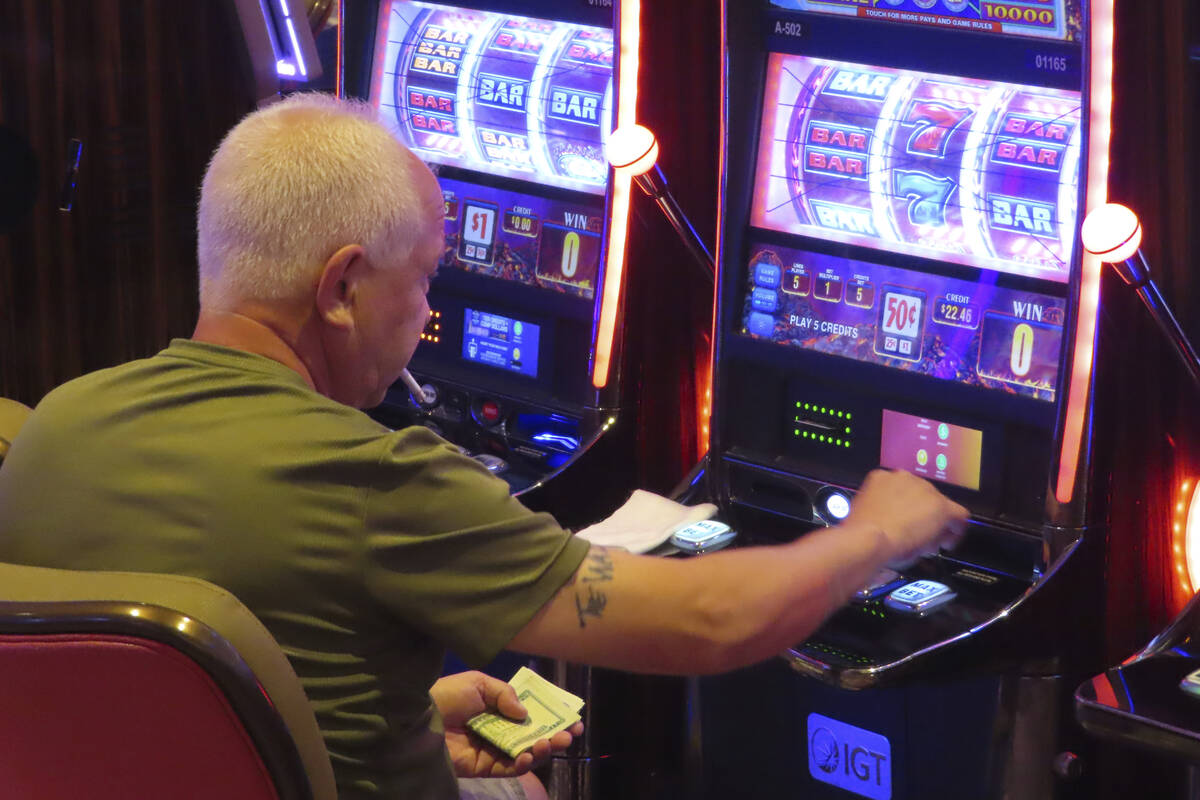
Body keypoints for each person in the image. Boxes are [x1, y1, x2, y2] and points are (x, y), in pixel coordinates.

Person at [0, 93, 967, 799]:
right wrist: (877, 534)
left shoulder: (52, 428)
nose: (430, 317)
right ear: (341, 288)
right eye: (423, 280)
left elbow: (164, 698)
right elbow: (707, 622)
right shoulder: (376, 480)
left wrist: (405, 713)